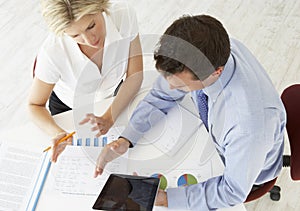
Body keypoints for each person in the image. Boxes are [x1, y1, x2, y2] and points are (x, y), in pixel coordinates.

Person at [94, 14, 287, 210]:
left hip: (245, 170)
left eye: (180, 85)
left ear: (216, 72)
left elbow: (232, 191)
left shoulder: (246, 125)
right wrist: (127, 139)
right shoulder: (209, 49)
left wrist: (164, 199)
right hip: (220, 139)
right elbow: (161, 96)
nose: (169, 87)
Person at [28, 0, 143, 162]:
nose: (90, 40)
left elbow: (135, 75)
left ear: (100, 7)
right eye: (75, 35)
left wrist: (109, 117)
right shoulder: (52, 52)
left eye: (91, 26)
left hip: (113, 96)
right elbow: (34, 105)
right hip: (69, 108)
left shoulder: (123, 15)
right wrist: (58, 133)